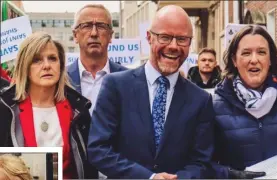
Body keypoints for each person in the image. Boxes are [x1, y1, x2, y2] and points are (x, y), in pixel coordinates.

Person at [88, 5, 215, 179]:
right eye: (165, 37)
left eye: (182, 39)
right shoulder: (115, 86)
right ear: (149, 37)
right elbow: (98, 150)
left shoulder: (201, 100)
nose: (173, 46)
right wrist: (148, 177)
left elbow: (202, 162)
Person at [211, 25, 277, 179]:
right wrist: (229, 175)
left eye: (261, 52)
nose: (254, 60)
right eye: (246, 53)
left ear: (271, 59)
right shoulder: (215, 106)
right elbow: (204, 163)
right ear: (234, 60)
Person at [0, 32, 98, 179]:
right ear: (25, 67)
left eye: (52, 58)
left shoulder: (78, 109)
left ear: (61, 65)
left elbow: (90, 166)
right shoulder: (5, 110)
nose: (46, 66)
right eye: (37, 60)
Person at [67, 4, 127, 115]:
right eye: (87, 26)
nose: (94, 33)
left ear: (110, 36)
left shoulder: (129, 79)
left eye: (101, 26)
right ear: (75, 35)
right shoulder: (62, 80)